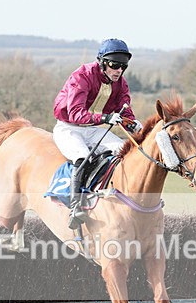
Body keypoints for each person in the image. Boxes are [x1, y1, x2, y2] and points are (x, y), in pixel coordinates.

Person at [53, 38, 143, 228]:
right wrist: (104, 118)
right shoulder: (82, 76)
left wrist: (132, 124)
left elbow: (125, 110)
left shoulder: (121, 83)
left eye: (123, 66)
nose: (119, 70)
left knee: (124, 150)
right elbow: (76, 113)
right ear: (102, 62)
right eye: (114, 65)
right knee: (82, 156)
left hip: (92, 129)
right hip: (69, 128)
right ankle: (75, 207)